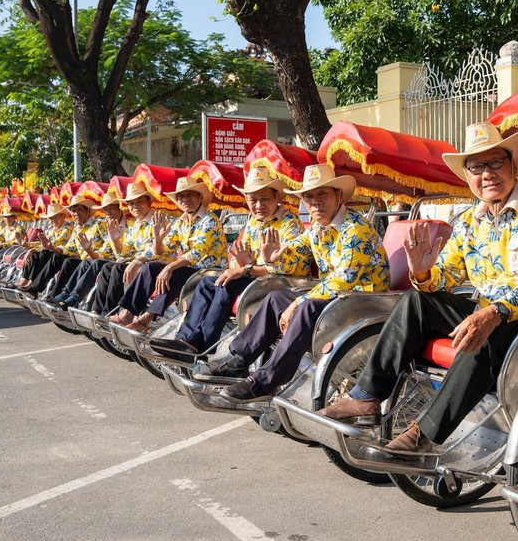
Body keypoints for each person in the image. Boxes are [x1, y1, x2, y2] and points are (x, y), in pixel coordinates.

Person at [319, 121, 518, 455]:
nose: (486, 174)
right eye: (476, 166)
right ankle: (367, 396)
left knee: (486, 331)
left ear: (513, 165)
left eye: (495, 163)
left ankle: (424, 435)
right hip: (493, 313)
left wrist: (492, 312)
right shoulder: (470, 220)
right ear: (467, 175)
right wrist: (423, 272)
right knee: (416, 301)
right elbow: (446, 275)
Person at [207, 164, 390, 403]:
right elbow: (293, 256)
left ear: (339, 195)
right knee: (275, 298)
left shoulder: (356, 230)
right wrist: (274, 258)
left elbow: (343, 280)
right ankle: (240, 360)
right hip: (337, 301)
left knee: (306, 306)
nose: (315, 202)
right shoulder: (316, 229)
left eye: (322, 194)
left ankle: (266, 381)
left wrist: (298, 302)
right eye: (309, 196)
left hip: (364, 304)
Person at [149, 166, 311, 360]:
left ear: (277, 197)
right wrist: (239, 264)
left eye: (264, 199)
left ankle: (203, 347)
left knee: (226, 285)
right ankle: (186, 340)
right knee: (206, 284)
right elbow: (237, 253)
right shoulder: (253, 222)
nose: (259, 205)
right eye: (253, 200)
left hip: (280, 280)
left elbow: (285, 266)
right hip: (253, 275)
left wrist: (246, 268)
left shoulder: (289, 223)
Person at [108, 177, 225, 331]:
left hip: (209, 272)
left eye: (190, 195)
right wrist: (156, 239)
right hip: (189, 270)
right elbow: (160, 251)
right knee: (150, 267)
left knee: (175, 272)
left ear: (200, 197)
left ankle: (146, 319)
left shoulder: (210, 220)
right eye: (181, 196)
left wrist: (169, 268)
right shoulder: (180, 222)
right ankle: (128, 313)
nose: (185, 199)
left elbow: (197, 253)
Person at [85, 180, 169, 315]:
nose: (135, 206)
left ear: (149, 202)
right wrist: (115, 241)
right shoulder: (136, 225)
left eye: (139, 202)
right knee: (108, 267)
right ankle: (97, 310)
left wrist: (137, 261)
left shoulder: (159, 219)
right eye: (131, 203)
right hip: (140, 264)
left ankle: (109, 313)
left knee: (117, 268)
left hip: (156, 265)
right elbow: (125, 252)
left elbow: (158, 251)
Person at [46, 189, 126, 308]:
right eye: (105, 209)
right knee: (72, 261)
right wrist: (53, 248)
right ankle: (66, 294)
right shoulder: (79, 228)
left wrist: (90, 251)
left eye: (112, 208)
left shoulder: (103, 225)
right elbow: (70, 248)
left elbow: (109, 251)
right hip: (94, 260)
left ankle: (74, 298)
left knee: (91, 262)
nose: (107, 212)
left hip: (115, 260)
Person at [15, 201, 74, 292]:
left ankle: (31, 284)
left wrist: (33, 250)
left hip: (63, 255)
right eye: (50, 218)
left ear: (63, 216)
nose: (52, 220)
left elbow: (53, 244)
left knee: (42, 253)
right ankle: (25, 280)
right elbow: (43, 243)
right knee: (35, 254)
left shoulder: (68, 228)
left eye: (54, 217)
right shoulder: (53, 230)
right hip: (53, 254)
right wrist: (27, 245)